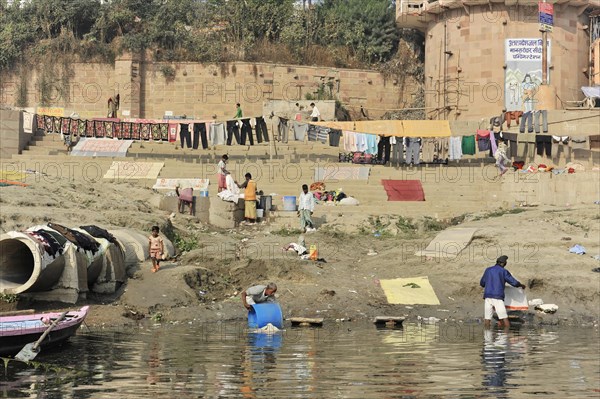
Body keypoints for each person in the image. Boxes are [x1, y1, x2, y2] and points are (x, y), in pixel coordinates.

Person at [480, 255, 526, 329]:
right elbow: (513, 282)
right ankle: (505, 335)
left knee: (487, 319)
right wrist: (521, 285)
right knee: (504, 317)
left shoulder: (488, 270)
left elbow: (482, 283)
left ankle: (487, 337)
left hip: (487, 297)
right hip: (497, 297)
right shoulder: (503, 271)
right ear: (504, 263)